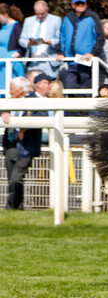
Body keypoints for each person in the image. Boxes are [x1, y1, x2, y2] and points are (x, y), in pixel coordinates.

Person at [2, 76, 47, 209]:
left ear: (21, 90)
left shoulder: (34, 101)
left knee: (16, 179)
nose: (10, 92)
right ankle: (18, 207)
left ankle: (10, 207)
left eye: (12, 89)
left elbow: (42, 117)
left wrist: (24, 125)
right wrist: (3, 113)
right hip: (11, 143)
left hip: (27, 146)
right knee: (12, 180)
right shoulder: (8, 102)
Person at [55, 0, 105, 94]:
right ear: (73, 5)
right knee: (70, 88)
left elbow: (100, 37)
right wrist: (60, 52)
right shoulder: (67, 18)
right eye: (78, 3)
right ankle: (73, 110)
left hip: (85, 60)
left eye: (83, 3)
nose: (80, 6)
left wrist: (93, 53)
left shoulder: (92, 17)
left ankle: (86, 110)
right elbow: (62, 36)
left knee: (86, 88)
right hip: (71, 60)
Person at [18, 0, 62, 78]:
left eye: (42, 13)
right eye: (38, 13)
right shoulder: (28, 21)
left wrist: (50, 42)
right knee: (32, 86)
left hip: (49, 61)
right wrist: (27, 43)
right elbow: (21, 40)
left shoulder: (56, 20)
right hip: (32, 61)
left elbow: (60, 39)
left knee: (49, 86)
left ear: (47, 9)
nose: (40, 16)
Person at [0, 3, 26, 97]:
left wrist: (11, 57)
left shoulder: (16, 27)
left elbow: (22, 47)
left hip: (11, 64)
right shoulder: (2, 27)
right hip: (1, 65)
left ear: (6, 14)